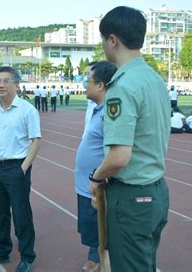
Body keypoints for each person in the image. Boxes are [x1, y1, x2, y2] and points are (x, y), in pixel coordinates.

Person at [89, 6, 170, 272]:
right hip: (156, 192)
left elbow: (119, 157)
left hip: (132, 198)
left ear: (113, 40)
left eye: (103, 40)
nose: (103, 46)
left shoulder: (122, 86)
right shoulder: (154, 79)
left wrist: (96, 177)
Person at [0, 67, 41, 272]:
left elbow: (35, 140)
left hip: (17, 168)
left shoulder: (27, 110)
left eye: (7, 81)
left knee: (21, 214)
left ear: (17, 84)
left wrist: (23, 168)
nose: (1, 85)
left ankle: (27, 256)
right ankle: (2, 250)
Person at [75, 61, 117, 272]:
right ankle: (99, 258)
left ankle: (101, 261)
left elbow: (115, 153)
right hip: (87, 182)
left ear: (100, 85)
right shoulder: (97, 109)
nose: (84, 85)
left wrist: (98, 178)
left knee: (103, 231)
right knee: (93, 228)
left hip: (98, 184)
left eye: (88, 81)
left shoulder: (110, 112)